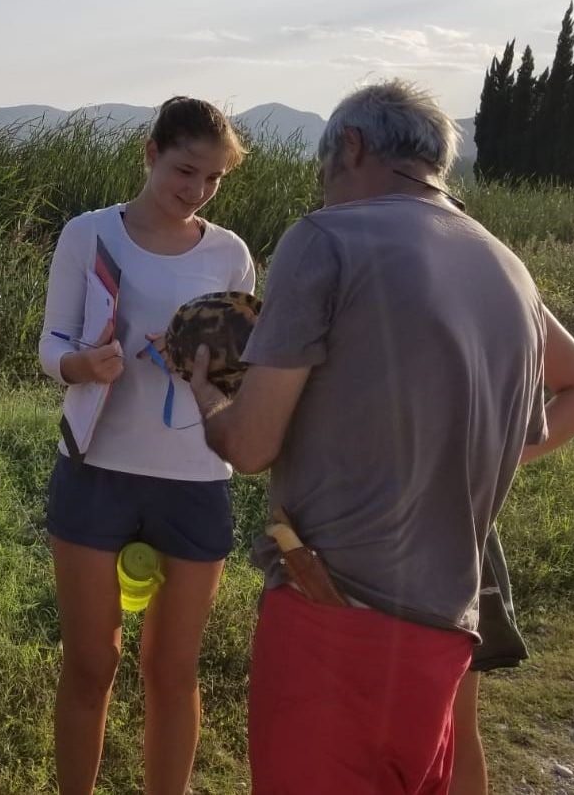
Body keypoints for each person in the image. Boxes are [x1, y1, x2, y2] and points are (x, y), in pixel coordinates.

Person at [188, 79, 553, 794]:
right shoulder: (510, 270)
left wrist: (209, 403)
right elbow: (532, 425)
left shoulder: (325, 237)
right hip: (448, 628)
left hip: (333, 615)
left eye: (326, 174)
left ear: (351, 147)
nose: (324, 193)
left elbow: (252, 445)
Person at [38, 96, 256, 795]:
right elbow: (52, 343)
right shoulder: (87, 234)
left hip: (194, 475)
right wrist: (80, 365)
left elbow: (237, 369)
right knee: (90, 664)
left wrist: (201, 370)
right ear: (150, 153)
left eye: (214, 179)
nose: (196, 191)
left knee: (172, 670)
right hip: (95, 466)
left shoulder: (230, 254)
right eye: (185, 170)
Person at [451, 319, 574, 795]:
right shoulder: (493, 267)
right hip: (439, 535)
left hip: (442, 537)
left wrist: (493, 458)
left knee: (449, 727)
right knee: (446, 729)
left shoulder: (493, 269)